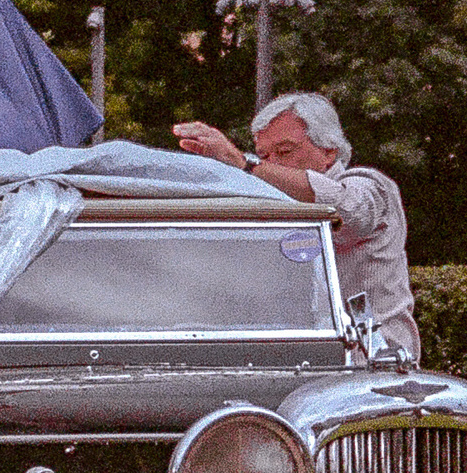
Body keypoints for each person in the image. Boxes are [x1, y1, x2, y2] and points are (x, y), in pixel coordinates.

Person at [172, 91, 421, 363]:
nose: (271, 165)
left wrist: (243, 164)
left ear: (329, 151)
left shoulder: (370, 185)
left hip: (375, 365)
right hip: (298, 364)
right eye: (263, 156)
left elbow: (351, 211)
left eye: (284, 152)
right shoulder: (272, 209)